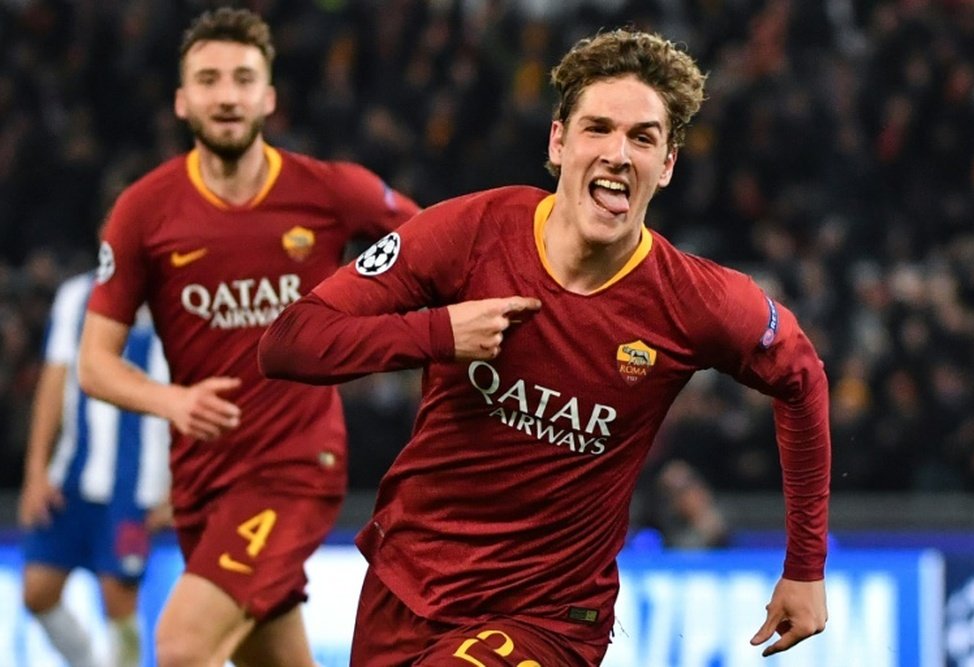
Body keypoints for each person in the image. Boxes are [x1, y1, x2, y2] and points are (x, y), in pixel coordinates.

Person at [260, 28, 831, 665]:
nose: (618, 153)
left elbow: (801, 379)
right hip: (406, 583)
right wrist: (440, 335)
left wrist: (805, 566)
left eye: (643, 138)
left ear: (666, 165)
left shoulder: (697, 301)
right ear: (558, 141)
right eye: (598, 129)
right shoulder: (469, 232)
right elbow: (290, 343)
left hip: (550, 617)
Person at [77, 7, 419, 667]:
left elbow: (437, 244)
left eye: (242, 78)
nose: (227, 94)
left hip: (294, 467)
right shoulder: (144, 210)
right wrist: (173, 402)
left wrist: (410, 332)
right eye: (209, 79)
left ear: (268, 96)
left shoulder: (327, 190)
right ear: (182, 100)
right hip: (202, 478)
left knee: (181, 645)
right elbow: (95, 363)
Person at [19, 270, 171, 667]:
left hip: (135, 492)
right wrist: (36, 471)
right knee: (37, 592)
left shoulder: (176, 298)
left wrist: (174, 488)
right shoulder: (77, 295)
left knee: (119, 604)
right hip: (70, 480)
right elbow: (53, 383)